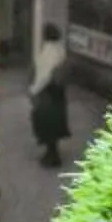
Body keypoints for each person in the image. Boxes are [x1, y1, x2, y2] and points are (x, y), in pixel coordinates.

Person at [30, 23, 71, 169]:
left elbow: (44, 75)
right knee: (55, 122)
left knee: (45, 122)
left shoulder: (48, 51)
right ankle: (53, 152)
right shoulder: (60, 49)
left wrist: (33, 90)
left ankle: (52, 155)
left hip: (47, 92)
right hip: (58, 93)